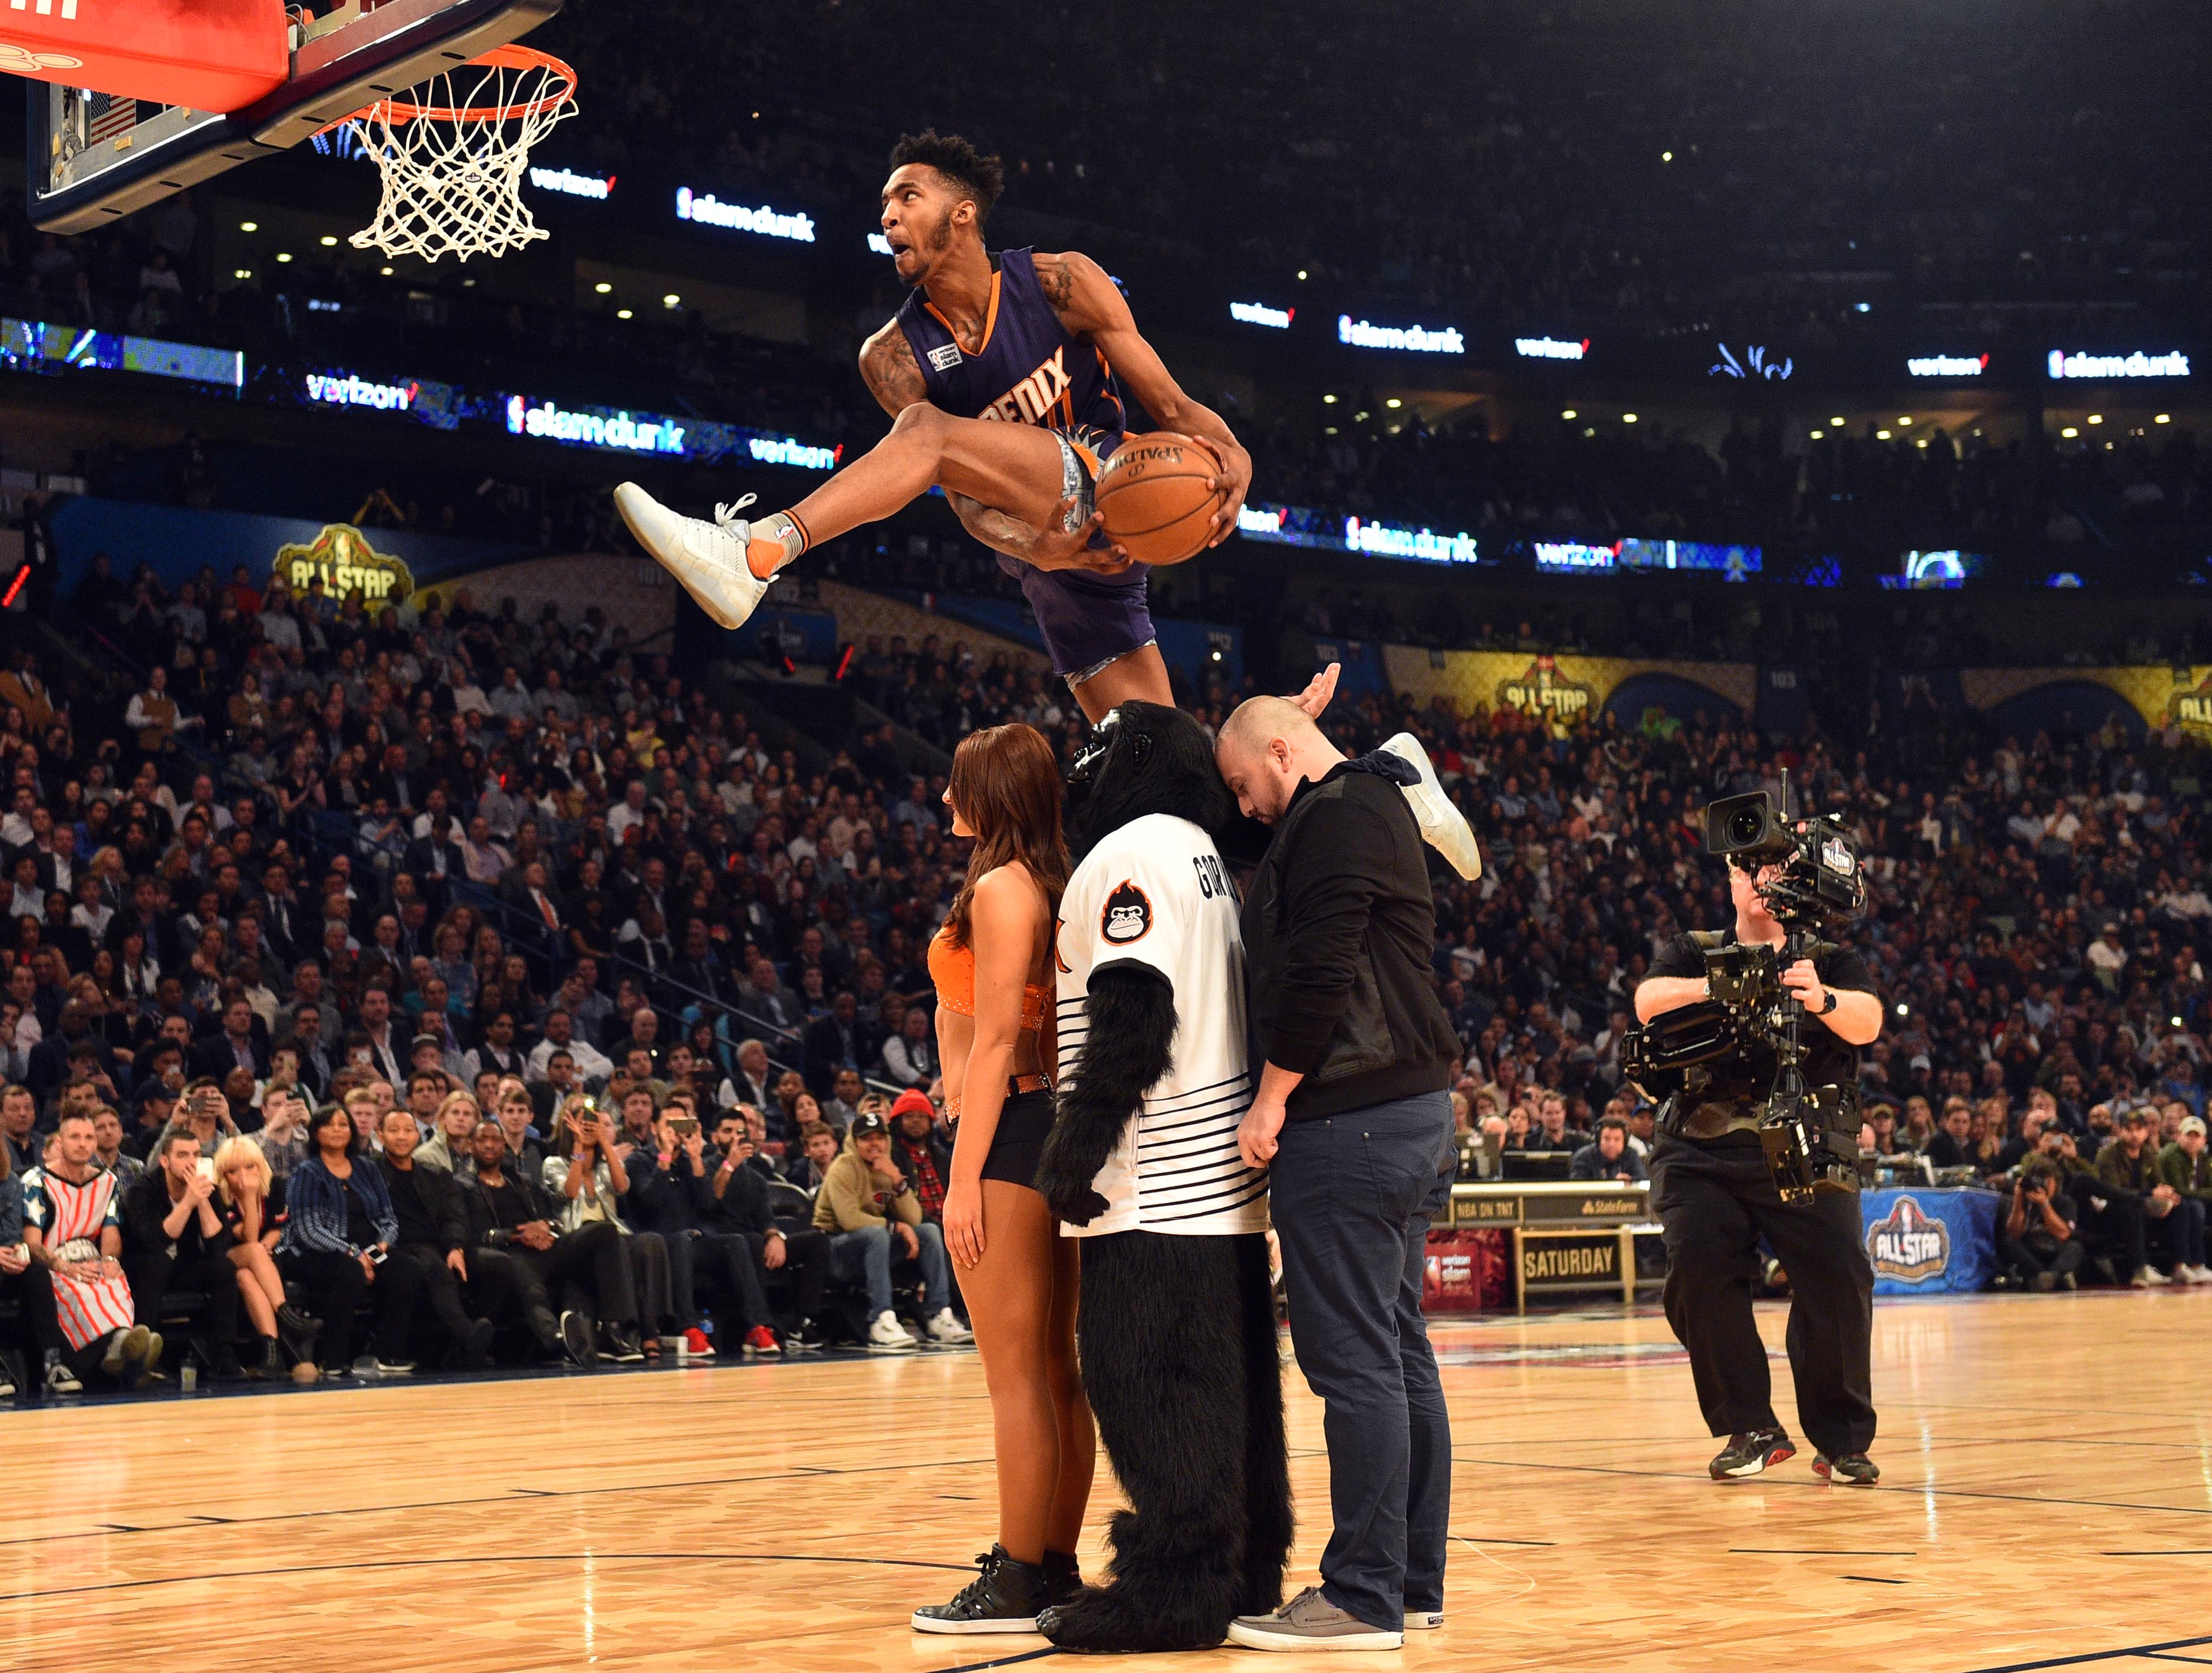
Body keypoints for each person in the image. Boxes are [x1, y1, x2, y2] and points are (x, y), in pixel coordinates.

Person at [616, 130, 1251, 724]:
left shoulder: (1060, 282)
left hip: (1104, 479)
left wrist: (1232, 454)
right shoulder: (890, 356)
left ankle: (755, 552)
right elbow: (965, 502)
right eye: (884, 204)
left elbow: (1170, 407)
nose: (887, 215)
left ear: (963, 213)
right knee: (1154, 754)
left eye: (906, 197)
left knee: (927, 427)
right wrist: (1034, 550)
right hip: (1047, 560)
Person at [1212, 696, 1460, 1652]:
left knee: (1355, 1360)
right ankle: (1410, 1580)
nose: (1248, 806)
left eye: (1245, 784)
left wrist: (1270, 1100)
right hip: (1400, 1113)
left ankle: (1361, 1594)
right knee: (1396, 1352)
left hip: (1348, 1118)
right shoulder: (1364, 805)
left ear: (1282, 751)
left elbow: (1319, 970)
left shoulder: (1336, 810)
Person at [1632, 836, 1884, 1485]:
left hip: (1804, 1140)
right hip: (1700, 1141)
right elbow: (1647, 1000)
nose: (1758, 879)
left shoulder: (1828, 956)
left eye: (1772, 868)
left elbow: (1868, 1021)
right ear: (1730, 879)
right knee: (1695, 1272)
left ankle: (1841, 1437)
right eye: (1747, 868)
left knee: (1837, 1278)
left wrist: (1819, 996)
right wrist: (1719, 983)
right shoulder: (1693, 947)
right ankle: (1749, 1426)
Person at [912, 724, 1089, 1632]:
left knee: (1015, 1375)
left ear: (991, 793)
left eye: (957, 786)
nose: (946, 801)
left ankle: (1018, 1576)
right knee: (1059, 1372)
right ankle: (1052, 1565)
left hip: (1017, 1125)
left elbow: (991, 1050)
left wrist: (961, 1176)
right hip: (1060, 1123)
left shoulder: (998, 889)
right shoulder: (1058, 883)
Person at [277, 1100, 422, 1378]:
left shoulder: (368, 1168)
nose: (337, 1129)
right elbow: (308, 1230)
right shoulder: (307, 1173)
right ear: (316, 1133)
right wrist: (354, 1254)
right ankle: (333, 1358)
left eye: (343, 1124)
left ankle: (385, 1352)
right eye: (329, 1124)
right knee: (349, 1273)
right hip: (311, 1252)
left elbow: (388, 1218)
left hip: (368, 1249)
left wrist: (380, 1247)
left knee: (408, 1268)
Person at [20, 1109, 161, 1391]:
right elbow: (32, 1243)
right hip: (54, 1260)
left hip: (91, 1255)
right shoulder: (36, 1181)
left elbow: (111, 1232)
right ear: (59, 1143)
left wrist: (109, 1260)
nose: (83, 1144)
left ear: (96, 1144)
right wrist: (65, 1267)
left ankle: (122, 1346)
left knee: (112, 1280)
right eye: (75, 1137)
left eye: (88, 1137)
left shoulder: (107, 1182)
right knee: (78, 1288)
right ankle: (124, 1353)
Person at [456, 1117, 605, 1367]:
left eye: (495, 1140)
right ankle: (556, 1339)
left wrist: (547, 1227)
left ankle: (616, 1327)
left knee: (603, 1233)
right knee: (526, 1277)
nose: (489, 1145)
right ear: (470, 1146)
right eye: (482, 1140)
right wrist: (515, 1236)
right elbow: (469, 1232)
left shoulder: (522, 1181)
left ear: (504, 1146)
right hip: (509, 1251)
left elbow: (554, 1212)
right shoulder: (462, 1184)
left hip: (544, 1246)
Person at [812, 1110, 966, 1351]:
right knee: (877, 1234)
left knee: (928, 1231)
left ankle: (940, 1316)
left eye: (880, 1138)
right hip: (833, 1249)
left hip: (873, 1246)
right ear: (854, 1142)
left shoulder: (885, 1168)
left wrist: (897, 1180)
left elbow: (914, 1218)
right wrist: (897, 1227)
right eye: (866, 1139)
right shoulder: (843, 1166)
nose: (875, 1144)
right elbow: (849, 1219)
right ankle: (881, 1320)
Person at [376, 1106, 503, 1368]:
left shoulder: (436, 1174)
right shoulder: (371, 1174)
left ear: (418, 1135)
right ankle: (469, 1338)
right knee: (435, 1268)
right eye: (394, 1131)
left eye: (408, 1130)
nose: (402, 1137)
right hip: (399, 1246)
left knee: (499, 1265)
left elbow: (455, 1218)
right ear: (380, 1135)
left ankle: (468, 1342)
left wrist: (456, 1248)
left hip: (442, 1245)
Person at [544, 1095, 663, 1362]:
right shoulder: (553, 1163)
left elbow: (623, 1187)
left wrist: (605, 1143)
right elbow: (570, 1192)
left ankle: (647, 1333)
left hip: (609, 1240)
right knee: (607, 1232)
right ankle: (613, 1329)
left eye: (592, 1119)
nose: (587, 1124)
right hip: (573, 1240)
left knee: (648, 1242)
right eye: (580, 1118)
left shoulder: (602, 1166)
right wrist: (578, 1146)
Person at [121, 1127, 243, 1379]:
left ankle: (224, 1355)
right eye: (183, 1155)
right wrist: (188, 1203)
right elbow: (155, 1241)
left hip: (181, 1265)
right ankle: (145, 1355)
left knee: (223, 1269)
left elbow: (219, 1246)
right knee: (158, 1263)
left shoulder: (206, 1189)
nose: (192, 1162)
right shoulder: (143, 1190)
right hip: (142, 1265)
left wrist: (202, 1202)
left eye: (197, 1155)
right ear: (165, 1161)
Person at [210, 1135, 319, 1376]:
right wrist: (249, 1197)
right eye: (233, 1171)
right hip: (226, 1256)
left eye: (250, 1167)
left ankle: (272, 1353)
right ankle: (288, 1316)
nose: (244, 1176)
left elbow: (276, 1229)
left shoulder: (276, 1186)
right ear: (224, 1175)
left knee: (246, 1278)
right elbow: (247, 1238)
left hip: (260, 1260)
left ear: (261, 1165)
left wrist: (265, 1247)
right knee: (252, 1252)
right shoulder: (219, 1197)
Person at [2001, 1158, 2085, 1291]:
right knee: (2010, 1241)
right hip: (2032, 1255)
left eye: (2047, 1180)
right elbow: (2014, 1233)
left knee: (2076, 1247)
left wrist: (2045, 1204)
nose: (2042, 1185)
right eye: (2039, 1180)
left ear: (2056, 1183)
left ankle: (2051, 1278)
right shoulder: (2022, 1201)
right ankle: (2048, 1279)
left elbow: (2063, 1234)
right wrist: (2018, 1200)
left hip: (2055, 1251)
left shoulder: (2066, 1203)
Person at [2158, 1115, 2212, 1284]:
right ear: (2179, 1136)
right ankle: (2186, 1265)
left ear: (2204, 1140)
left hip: (2192, 1204)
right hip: (2168, 1204)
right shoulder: (2171, 1154)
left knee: (2195, 1206)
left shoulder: (2203, 1158)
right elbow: (2180, 1190)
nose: (2193, 1140)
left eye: (2197, 1136)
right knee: (2192, 1206)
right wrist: (2206, 1194)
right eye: (2189, 1135)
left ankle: (2197, 1265)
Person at [1569, 1116, 1649, 1184]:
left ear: (1625, 1142)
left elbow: (1643, 1181)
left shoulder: (1631, 1155)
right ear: (1599, 1140)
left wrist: (1631, 1181)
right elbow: (1578, 1187)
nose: (1611, 1144)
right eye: (1607, 1139)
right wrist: (1613, 1183)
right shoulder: (1583, 1157)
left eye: (1617, 1139)